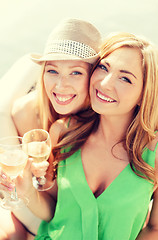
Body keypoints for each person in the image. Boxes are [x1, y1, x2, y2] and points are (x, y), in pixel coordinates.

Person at [12, 32, 158, 239]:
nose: (104, 84)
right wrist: (27, 191)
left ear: (144, 94)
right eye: (103, 68)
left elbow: (156, 229)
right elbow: (53, 211)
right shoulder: (63, 132)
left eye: (125, 78)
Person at [0, 18, 101, 239]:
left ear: (93, 77)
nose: (60, 85)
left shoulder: (102, 122)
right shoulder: (25, 113)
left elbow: (65, 207)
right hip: (33, 207)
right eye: (52, 71)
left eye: (75, 73)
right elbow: (30, 187)